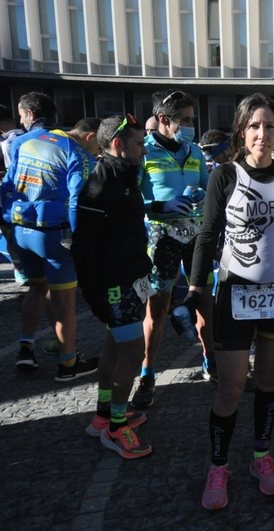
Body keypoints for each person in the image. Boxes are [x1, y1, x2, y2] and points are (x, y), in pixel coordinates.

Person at [186, 94, 274, 510]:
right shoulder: (224, 175)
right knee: (233, 385)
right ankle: (217, 465)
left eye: (269, 126)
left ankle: (260, 457)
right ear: (242, 131)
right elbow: (207, 233)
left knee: (269, 380)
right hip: (236, 291)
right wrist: (196, 287)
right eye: (254, 126)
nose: (262, 133)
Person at [1, 92, 101, 380]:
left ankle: (25, 347)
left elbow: (8, 184)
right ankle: (68, 363)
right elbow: (76, 200)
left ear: (30, 114)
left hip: (22, 229)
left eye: (20, 115)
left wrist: (7, 220)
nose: (19, 120)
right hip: (54, 234)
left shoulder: (19, 141)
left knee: (36, 288)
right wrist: (78, 236)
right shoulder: (74, 149)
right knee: (65, 303)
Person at [72, 114, 153, 458]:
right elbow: (82, 245)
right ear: (118, 145)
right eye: (138, 144)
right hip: (114, 284)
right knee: (134, 353)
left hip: (129, 277)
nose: (144, 150)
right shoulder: (101, 182)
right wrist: (95, 297)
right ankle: (116, 428)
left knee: (114, 347)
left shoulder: (124, 173)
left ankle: (104, 415)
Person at [133, 89, 212, 407]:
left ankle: (211, 361)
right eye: (187, 120)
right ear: (164, 120)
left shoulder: (192, 149)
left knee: (205, 302)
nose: (192, 125)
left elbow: (209, 187)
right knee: (157, 311)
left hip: (195, 236)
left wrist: (205, 199)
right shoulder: (144, 153)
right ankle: (147, 373)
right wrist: (160, 204)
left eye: (193, 119)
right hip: (161, 239)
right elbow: (132, 200)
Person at [0, 103, 27, 285]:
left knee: (12, 236)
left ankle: (19, 269)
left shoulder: (9, 143)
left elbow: (13, 174)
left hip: (12, 201)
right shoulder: (26, 136)